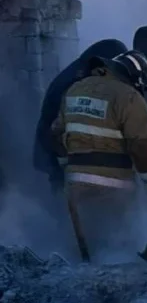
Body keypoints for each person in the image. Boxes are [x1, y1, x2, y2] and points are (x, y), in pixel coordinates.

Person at [50, 50, 147, 255]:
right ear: (135, 78)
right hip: (114, 189)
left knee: (86, 251)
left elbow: (57, 134)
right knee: (118, 248)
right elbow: (143, 146)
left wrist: (66, 165)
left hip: (75, 185)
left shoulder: (75, 89)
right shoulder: (129, 97)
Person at [33, 39, 129, 192]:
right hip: (57, 154)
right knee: (63, 198)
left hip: (58, 152)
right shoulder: (76, 83)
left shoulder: (80, 71)